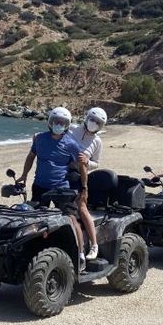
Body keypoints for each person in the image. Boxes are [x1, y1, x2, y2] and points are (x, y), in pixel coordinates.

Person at [18, 107, 89, 271]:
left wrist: (84, 187)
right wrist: (24, 175)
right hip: (40, 186)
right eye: (56, 121)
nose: (59, 124)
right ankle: (33, 250)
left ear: (67, 125)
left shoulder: (71, 144)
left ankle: (80, 254)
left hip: (61, 189)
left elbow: (82, 165)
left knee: (71, 218)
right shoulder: (39, 139)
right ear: (50, 122)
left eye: (62, 122)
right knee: (34, 218)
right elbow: (31, 156)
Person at [68, 107, 106, 261]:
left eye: (98, 122)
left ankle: (94, 245)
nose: (94, 123)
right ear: (87, 117)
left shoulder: (97, 141)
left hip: (79, 176)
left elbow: (96, 163)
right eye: (92, 119)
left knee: (82, 208)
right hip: (63, 173)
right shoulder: (72, 129)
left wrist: (87, 161)